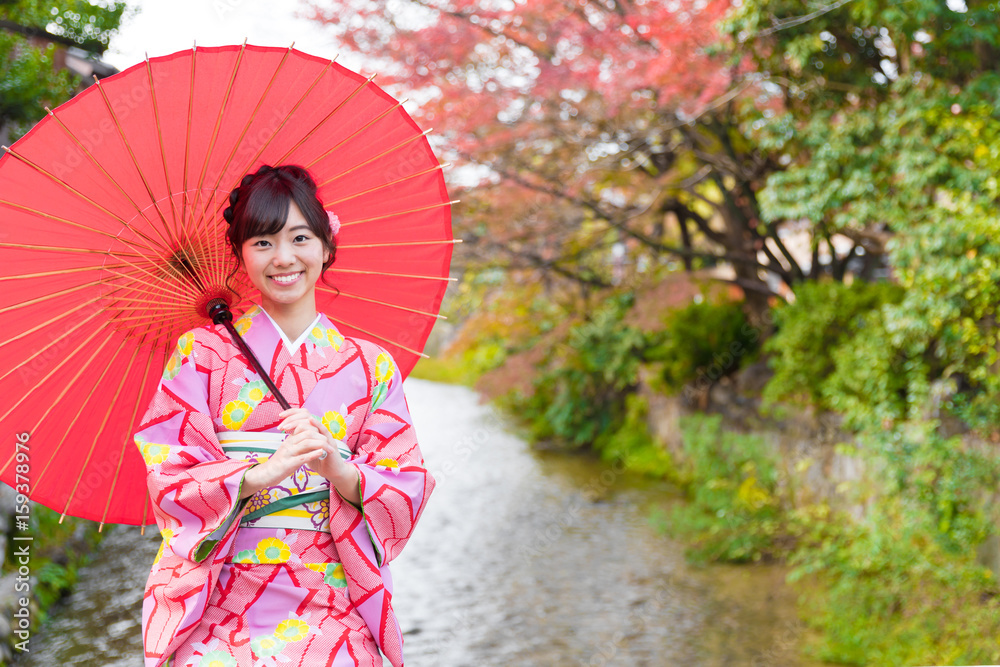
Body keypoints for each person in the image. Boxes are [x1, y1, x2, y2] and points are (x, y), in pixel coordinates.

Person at [134, 165, 435, 667]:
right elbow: (168, 475)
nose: (284, 258)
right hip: (220, 596)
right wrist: (255, 476)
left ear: (326, 246)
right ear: (240, 254)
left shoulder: (370, 365)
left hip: (332, 593)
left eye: (300, 238)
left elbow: (405, 484)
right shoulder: (200, 353)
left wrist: (338, 469)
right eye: (263, 242)